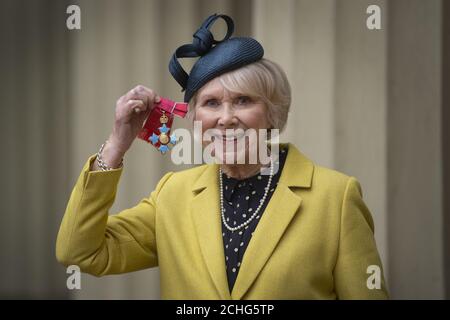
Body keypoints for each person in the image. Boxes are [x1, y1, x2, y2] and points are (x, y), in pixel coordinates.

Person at [56, 14, 388, 299]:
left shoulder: (336, 198)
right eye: (211, 103)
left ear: (273, 113)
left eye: (244, 100)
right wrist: (117, 144)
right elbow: (80, 251)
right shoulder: (173, 195)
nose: (226, 117)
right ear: (196, 117)